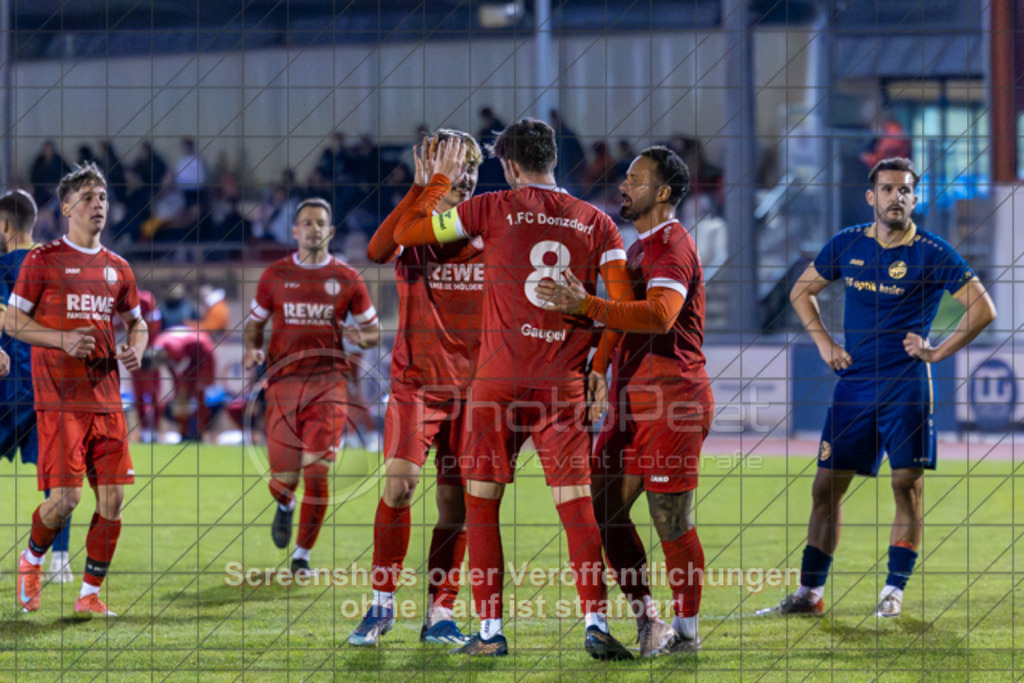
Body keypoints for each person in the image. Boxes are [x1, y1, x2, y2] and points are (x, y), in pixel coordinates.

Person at [393, 120, 634, 659]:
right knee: (576, 508)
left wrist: (433, 183)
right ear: (553, 158)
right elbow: (618, 307)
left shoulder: (490, 207)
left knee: (481, 508)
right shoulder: (599, 223)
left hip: (497, 384)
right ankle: (595, 621)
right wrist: (599, 365)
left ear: (508, 165)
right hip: (562, 383)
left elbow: (406, 235)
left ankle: (489, 633)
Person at [761, 158, 996, 618]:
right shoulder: (847, 244)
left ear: (914, 197)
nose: (896, 197)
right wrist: (825, 343)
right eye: (887, 189)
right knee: (825, 488)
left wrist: (937, 351)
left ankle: (893, 592)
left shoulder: (933, 251)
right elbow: (799, 292)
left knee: (906, 487)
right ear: (872, 197)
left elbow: (982, 309)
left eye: (905, 190)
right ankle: (809, 594)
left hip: (906, 386)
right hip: (854, 387)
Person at [537, 146, 713, 656]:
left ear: (662, 192)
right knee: (601, 509)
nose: (623, 187)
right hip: (631, 402)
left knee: (669, 517)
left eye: (634, 180)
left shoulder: (672, 247)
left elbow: (660, 316)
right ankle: (648, 618)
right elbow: (620, 317)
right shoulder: (637, 250)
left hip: (673, 399)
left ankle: (687, 631)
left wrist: (587, 304)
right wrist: (592, 355)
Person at [348, 130, 484, 647]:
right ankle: (381, 607)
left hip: (474, 392)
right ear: (429, 169)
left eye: (469, 169)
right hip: (416, 387)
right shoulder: (414, 224)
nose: (464, 179)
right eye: (453, 167)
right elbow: (380, 248)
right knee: (400, 486)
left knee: (458, 507)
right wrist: (428, 187)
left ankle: (439, 615)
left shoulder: (488, 226)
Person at [8, 163, 148, 616]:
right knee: (65, 500)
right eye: (88, 197)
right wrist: (62, 339)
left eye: (103, 198)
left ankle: (89, 594)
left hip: (106, 398)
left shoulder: (118, 268)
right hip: (60, 400)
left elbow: (138, 323)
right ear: (66, 206)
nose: (98, 205)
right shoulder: (42, 259)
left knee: (113, 500)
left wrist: (136, 348)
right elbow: (11, 320)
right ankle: (31, 559)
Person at [243, 197, 380, 577]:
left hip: (328, 385)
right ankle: (284, 504)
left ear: (330, 231)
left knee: (317, 471)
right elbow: (255, 323)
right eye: (306, 222)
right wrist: (253, 350)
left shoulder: (348, 278)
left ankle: (302, 556)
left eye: (320, 222)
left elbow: (373, 332)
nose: (313, 228)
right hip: (284, 385)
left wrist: (361, 337)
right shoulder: (275, 275)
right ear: (295, 231)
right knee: (283, 478)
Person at [0, 189, 75, 583]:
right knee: (59, 478)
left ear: (4, 226)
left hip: (4, 389)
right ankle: (59, 562)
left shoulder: (0, 267)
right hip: (47, 387)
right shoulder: (55, 266)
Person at [153, 326, 217, 443]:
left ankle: (199, 432)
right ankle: (184, 431)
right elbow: (174, 369)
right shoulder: (162, 347)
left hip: (203, 355)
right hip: (192, 354)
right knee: (181, 395)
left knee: (198, 393)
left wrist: (182, 389)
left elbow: (182, 369)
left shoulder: (173, 349)